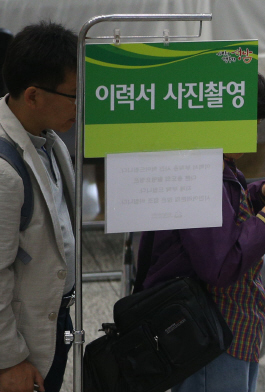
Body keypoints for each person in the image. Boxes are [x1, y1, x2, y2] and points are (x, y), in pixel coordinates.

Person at [136, 73, 265, 392]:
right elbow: (220, 266)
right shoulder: (199, 171)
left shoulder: (209, 157)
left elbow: (220, 218)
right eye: (251, 124)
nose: (254, 135)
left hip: (221, 328)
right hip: (209, 336)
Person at [0, 22, 78, 392]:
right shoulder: (4, 172)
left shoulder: (50, 141)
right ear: (32, 96)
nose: (81, 107)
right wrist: (9, 360)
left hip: (50, 323)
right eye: (73, 96)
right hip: (19, 345)